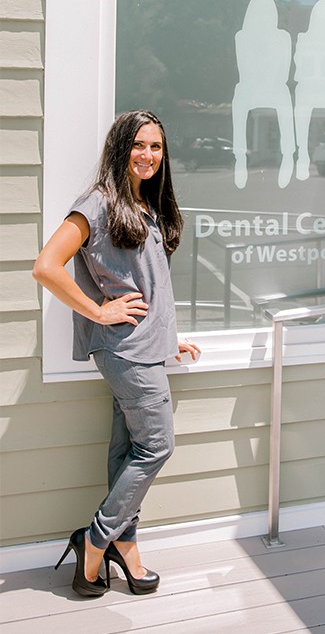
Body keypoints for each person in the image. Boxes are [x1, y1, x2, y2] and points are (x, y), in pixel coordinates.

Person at [33, 110, 200, 596]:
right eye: (139, 145)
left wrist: (171, 337)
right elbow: (47, 266)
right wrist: (98, 311)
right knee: (158, 446)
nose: (148, 155)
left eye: (157, 147)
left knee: (127, 449)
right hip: (124, 349)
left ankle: (124, 550)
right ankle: (96, 538)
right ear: (120, 148)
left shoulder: (144, 204)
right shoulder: (99, 203)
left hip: (147, 345)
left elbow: (150, 283)